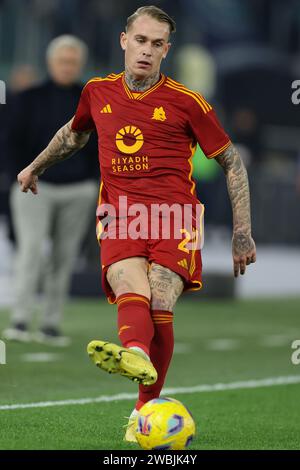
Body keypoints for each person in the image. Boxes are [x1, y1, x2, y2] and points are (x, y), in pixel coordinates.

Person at [15, 6, 256, 441]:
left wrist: (242, 231)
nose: (147, 50)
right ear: (124, 40)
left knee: (160, 300)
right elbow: (75, 133)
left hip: (175, 217)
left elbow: (232, 162)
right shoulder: (96, 91)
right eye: (140, 40)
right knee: (130, 287)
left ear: (167, 49)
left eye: (156, 44)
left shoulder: (188, 102)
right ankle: (137, 358)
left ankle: (141, 407)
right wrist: (35, 167)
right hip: (121, 214)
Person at [2, 36, 98, 346]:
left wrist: (93, 182)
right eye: (62, 61)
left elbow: (102, 145)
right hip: (33, 186)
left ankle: (51, 323)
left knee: (64, 257)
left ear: (79, 64)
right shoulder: (27, 98)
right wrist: (21, 173)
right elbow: (10, 140)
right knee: (30, 251)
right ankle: (19, 318)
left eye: (72, 62)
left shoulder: (92, 100)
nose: (67, 67)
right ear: (50, 62)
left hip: (78, 189)